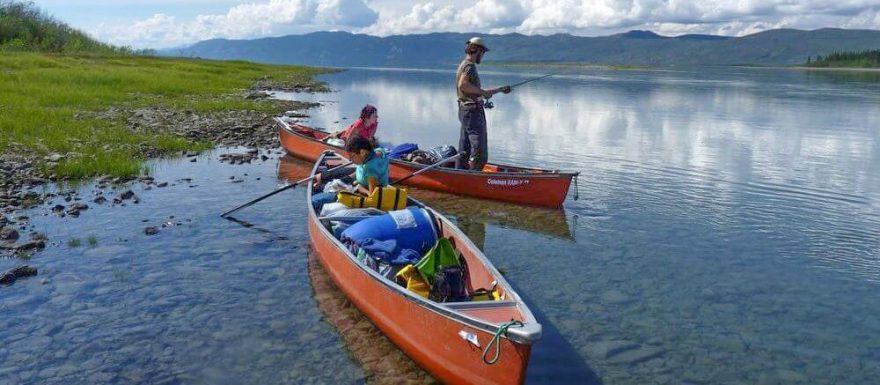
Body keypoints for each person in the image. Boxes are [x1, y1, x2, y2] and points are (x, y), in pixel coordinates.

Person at [455, 37, 511, 170]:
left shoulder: (463, 64)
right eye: (483, 52)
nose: (483, 55)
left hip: (465, 110)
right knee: (479, 151)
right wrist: (483, 92)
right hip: (472, 111)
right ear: (477, 50)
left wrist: (500, 90)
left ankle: (459, 176)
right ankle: (473, 180)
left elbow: (478, 92)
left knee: (465, 149)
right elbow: (463, 85)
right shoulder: (469, 66)